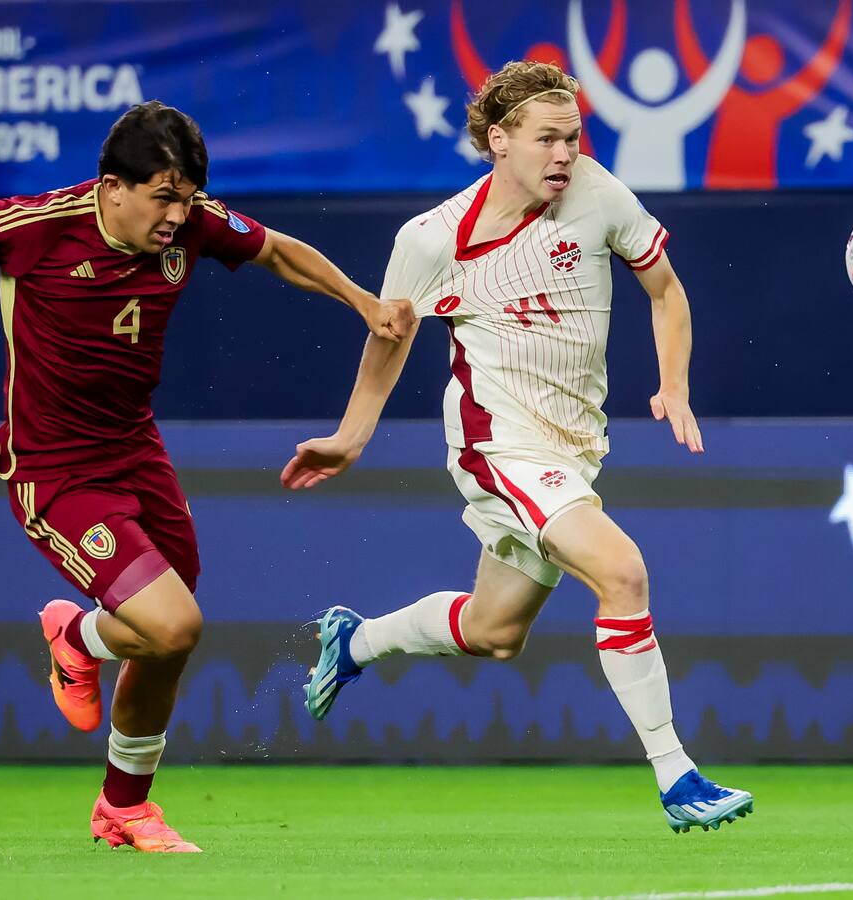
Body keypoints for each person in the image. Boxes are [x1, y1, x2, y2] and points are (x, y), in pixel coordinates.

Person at [0, 100, 414, 853]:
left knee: (165, 638)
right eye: (163, 197)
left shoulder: (190, 223)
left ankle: (116, 781)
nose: (178, 216)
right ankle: (91, 679)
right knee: (174, 625)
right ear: (112, 188)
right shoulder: (36, 227)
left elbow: (276, 251)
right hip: (54, 470)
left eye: (189, 198)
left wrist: (363, 302)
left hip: (137, 455)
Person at [284, 61, 753, 834]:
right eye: (547, 139)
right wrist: (351, 436)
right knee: (624, 573)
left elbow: (665, 290)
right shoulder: (432, 239)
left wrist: (676, 384)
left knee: (495, 633)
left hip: (573, 450)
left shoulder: (598, 193)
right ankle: (678, 774)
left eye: (572, 136)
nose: (564, 154)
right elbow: (388, 341)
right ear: (498, 141)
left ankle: (355, 639)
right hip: (497, 443)